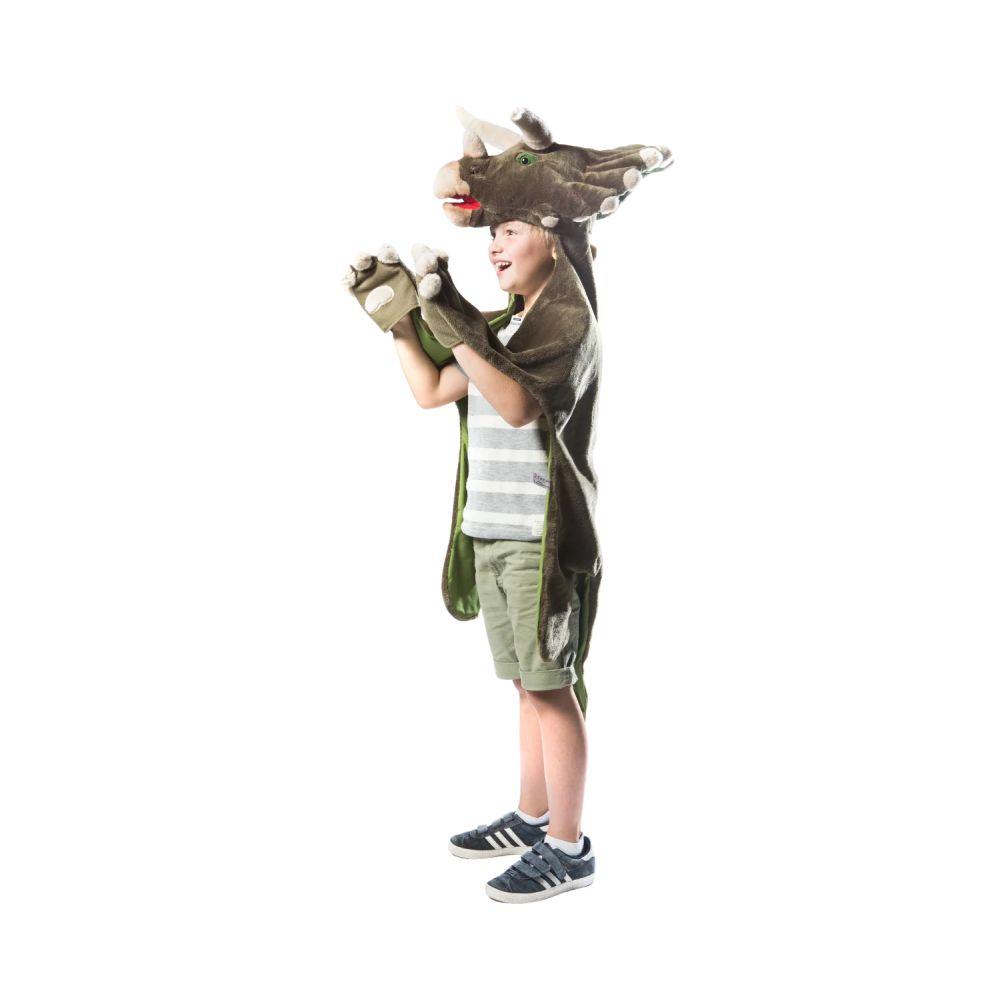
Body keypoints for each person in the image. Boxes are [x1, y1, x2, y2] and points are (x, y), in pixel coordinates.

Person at [386, 218, 594, 902]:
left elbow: (514, 404)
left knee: (551, 687)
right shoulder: (500, 330)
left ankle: (568, 846)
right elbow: (431, 390)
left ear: (554, 238)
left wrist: (452, 324)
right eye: (491, 235)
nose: (494, 245)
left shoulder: (567, 328)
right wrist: (398, 318)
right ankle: (533, 817)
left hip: (539, 537)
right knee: (527, 687)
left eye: (510, 229)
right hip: (489, 530)